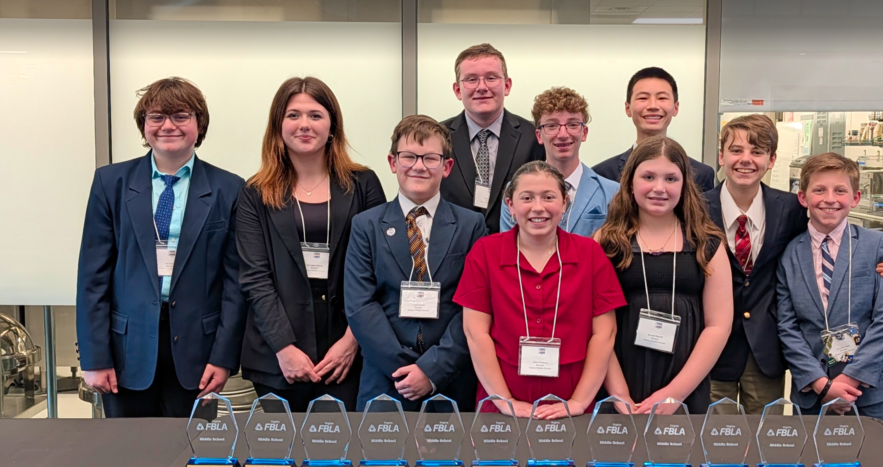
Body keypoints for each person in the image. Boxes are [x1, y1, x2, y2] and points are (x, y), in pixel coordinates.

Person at [706, 115, 883, 414]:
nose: (746, 159)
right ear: (721, 156)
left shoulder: (789, 209)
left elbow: (833, 228)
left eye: (757, 152)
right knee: (714, 441)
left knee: (766, 443)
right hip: (710, 348)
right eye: (736, 150)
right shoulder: (694, 208)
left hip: (765, 351)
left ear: (771, 160)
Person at [76, 77, 246, 417]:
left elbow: (235, 285)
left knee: (189, 452)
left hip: (199, 355)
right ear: (144, 126)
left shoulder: (230, 188)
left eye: (181, 116)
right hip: (126, 349)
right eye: (156, 117)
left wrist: (224, 358)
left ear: (199, 125)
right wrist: (95, 358)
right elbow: (93, 278)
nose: (168, 126)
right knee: (128, 453)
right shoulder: (111, 184)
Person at [236, 77, 386, 411]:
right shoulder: (255, 193)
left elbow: (381, 269)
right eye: (293, 115)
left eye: (315, 115)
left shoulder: (363, 184)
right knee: (284, 456)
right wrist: (284, 348)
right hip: (279, 358)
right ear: (278, 126)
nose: (304, 124)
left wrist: (353, 340)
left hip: (349, 354)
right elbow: (254, 278)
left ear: (332, 125)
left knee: (345, 456)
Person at [456, 161, 625, 418]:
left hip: (573, 407)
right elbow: (475, 332)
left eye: (549, 197)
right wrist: (505, 400)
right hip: (500, 407)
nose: (538, 207)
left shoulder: (590, 253)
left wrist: (579, 402)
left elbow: (605, 334)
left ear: (565, 203)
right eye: (527, 198)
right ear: (510, 206)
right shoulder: (485, 253)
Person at [344, 115, 486, 411]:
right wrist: (405, 371)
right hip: (385, 380)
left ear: (446, 167)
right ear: (393, 162)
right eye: (408, 156)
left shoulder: (471, 225)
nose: (419, 166)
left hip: (451, 378)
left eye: (430, 158)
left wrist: (432, 370)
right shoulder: (366, 225)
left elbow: (474, 306)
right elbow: (360, 305)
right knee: (381, 456)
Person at [597, 136, 733, 415]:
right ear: (630, 182)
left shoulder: (707, 243)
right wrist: (618, 393)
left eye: (671, 179)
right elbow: (596, 327)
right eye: (648, 176)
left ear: (684, 185)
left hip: (685, 388)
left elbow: (718, 326)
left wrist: (675, 394)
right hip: (617, 386)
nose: (659, 188)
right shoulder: (606, 242)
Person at [777, 153, 883, 422]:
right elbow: (787, 327)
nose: (830, 199)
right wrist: (822, 385)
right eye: (819, 190)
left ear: (855, 198)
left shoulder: (874, 245)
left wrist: (850, 379)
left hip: (866, 394)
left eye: (840, 190)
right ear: (802, 197)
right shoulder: (789, 253)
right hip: (812, 395)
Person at [441, 43, 545, 235]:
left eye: (491, 78)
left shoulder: (534, 137)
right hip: (453, 253)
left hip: (516, 253)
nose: (482, 87)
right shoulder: (438, 138)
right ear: (457, 90)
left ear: (507, 86)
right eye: (471, 79)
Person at [500, 87, 618, 237]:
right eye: (552, 126)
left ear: (584, 133)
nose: (563, 134)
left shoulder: (612, 193)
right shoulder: (515, 190)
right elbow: (509, 246)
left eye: (573, 125)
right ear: (539, 135)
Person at [593, 67, 715, 192]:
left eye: (662, 98)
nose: (653, 106)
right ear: (628, 108)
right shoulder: (602, 174)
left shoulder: (701, 174)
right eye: (643, 98)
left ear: (676, 108)